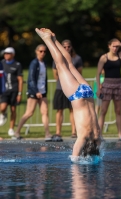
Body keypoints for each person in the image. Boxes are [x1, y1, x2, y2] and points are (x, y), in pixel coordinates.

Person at [35, 28, 100, 157]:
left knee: (69, 65)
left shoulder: (98, 138)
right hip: (78, 96)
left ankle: (54, 38)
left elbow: (97, 153)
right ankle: (47, 40)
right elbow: (75, 158)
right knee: (61, 65)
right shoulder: (84, 138)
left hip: (88, 93)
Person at [96, 38, 121, 141]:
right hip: (107, 84)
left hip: (118, 84)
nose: (115, 48)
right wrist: (99, 87)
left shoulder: (120, 55)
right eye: (113, 46)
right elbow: (98, 73)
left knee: (118, 110)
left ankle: (120, 134)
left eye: (117, 46)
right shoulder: (104, 57)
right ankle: (100, 134)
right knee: (103, 110)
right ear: (109, 46)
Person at [14, 44, 52, 140]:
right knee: (29, 113)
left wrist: (43, 90)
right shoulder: (34, 63)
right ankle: (17, 132)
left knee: (45, 112)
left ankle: (47, 134)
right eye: (41, 51)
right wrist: (36, 91)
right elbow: (31, 78)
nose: (43, 53)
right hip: (34, 91)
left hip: (42, 91)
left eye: (44, 51)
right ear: (36, 51)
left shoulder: (44, 63)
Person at [52, 39, 83, 141]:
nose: (66, 48)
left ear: (71, 47)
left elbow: (79, 73)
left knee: (72, 110)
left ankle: (74, 131)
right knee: (59, 110)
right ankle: (58, 132)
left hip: (73, 88)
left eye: (68, 46)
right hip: (60, 88)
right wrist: (64, 83)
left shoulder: (77, 58)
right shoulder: (57, 57)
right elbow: (55, 74)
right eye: (64, 47)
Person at [0, 47, 23, 137]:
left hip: (14, 90)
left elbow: (20, 79)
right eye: (5, 53)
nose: (6, 55)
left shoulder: (17, 64)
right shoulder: (2, 63)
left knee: (13, 110)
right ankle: (3, 114)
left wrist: (19, 93)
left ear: (13, 54)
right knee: (3, 107)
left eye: (8, 53)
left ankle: (11, 129)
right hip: (4, 90)